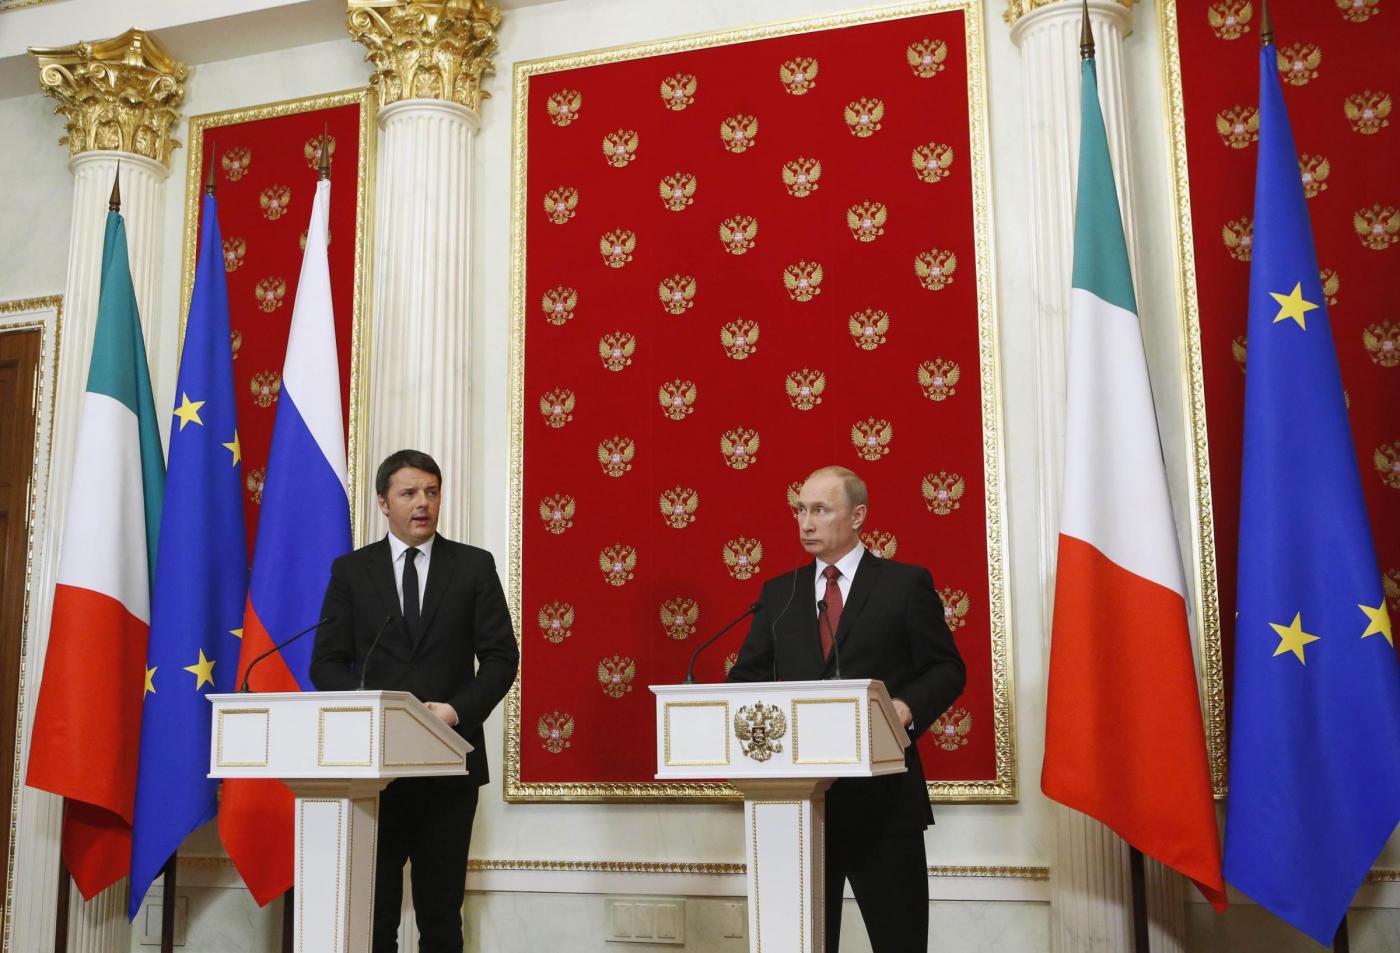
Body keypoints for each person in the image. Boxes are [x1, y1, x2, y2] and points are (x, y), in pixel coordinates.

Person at [727, 465, 965, 953]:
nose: (806, 523)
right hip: (797, 808)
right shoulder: (780, 594)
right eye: (800, 510)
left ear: (858, 516)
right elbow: (745, 681)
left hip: (884, 805)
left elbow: (946, 668)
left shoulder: (904, 585)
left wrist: (903, 707)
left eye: (820, 510)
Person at [310, 449, 519, 953]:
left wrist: (456, 711)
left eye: (431, 491)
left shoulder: (473, 566)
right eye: (409, 493)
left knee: (441, 916)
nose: (422, 504)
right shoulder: (352, 572)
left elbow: (500, 658)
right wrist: (370, 714)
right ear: (384, 502)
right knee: (374, 915)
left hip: (449, 768)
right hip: (373, 772)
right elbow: (326, 664)